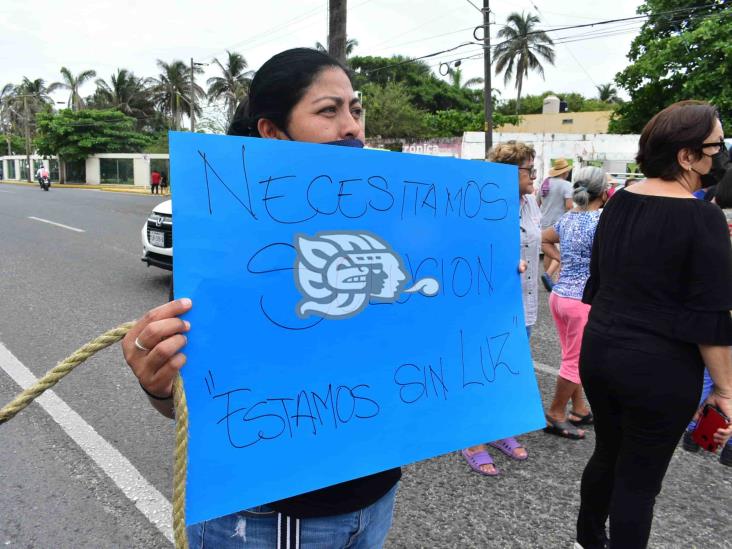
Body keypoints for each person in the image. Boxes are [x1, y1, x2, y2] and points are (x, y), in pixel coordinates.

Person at [122, 48, 400, 549]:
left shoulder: (389, 228)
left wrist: (487, 280)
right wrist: (159, 384)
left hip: (374, 497)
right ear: (272, 131)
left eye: (355, 109)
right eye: (328, 110)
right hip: (263, 518)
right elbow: (191, 401)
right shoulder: (224, 247)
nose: (351, 126)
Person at [575, 100, 732, 549]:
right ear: (686, 156)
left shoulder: (620, 201)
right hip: (659, 369)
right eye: (715, 145)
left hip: (601, 351)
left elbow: (599, 281)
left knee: (607, 451)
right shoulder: (703, 217)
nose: (720, 154)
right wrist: (724, 391)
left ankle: (589, 537)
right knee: (639, 481)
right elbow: (710, 316)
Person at [460, 140, 534, 476]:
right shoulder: (482, 206)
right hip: (487, 304)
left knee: (508, 369)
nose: (534, 175)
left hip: (525, 301)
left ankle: (499, 428)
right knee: (480, 369)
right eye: (528, 169)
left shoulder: (530, 202)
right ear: (508, 173)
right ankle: (472, 438)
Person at [541, 167, 608, 441]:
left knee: (571, 356)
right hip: (584, 300)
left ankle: (579, 409)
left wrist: (565, 259)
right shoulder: (604, 219)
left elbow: (545, 239)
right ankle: (556, 414)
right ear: (604, 194)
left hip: (559, 297)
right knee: (576, 360)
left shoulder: (568, 219)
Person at [537, 158, 574, 291]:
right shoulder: (566, 185)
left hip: (544, 222)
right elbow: (569, 206)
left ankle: (548, 278)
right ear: (565, 172)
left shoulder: (544, 184)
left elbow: (537, 204)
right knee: (563, 251)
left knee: (548, 251)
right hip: (560, 223)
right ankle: (556, 278)